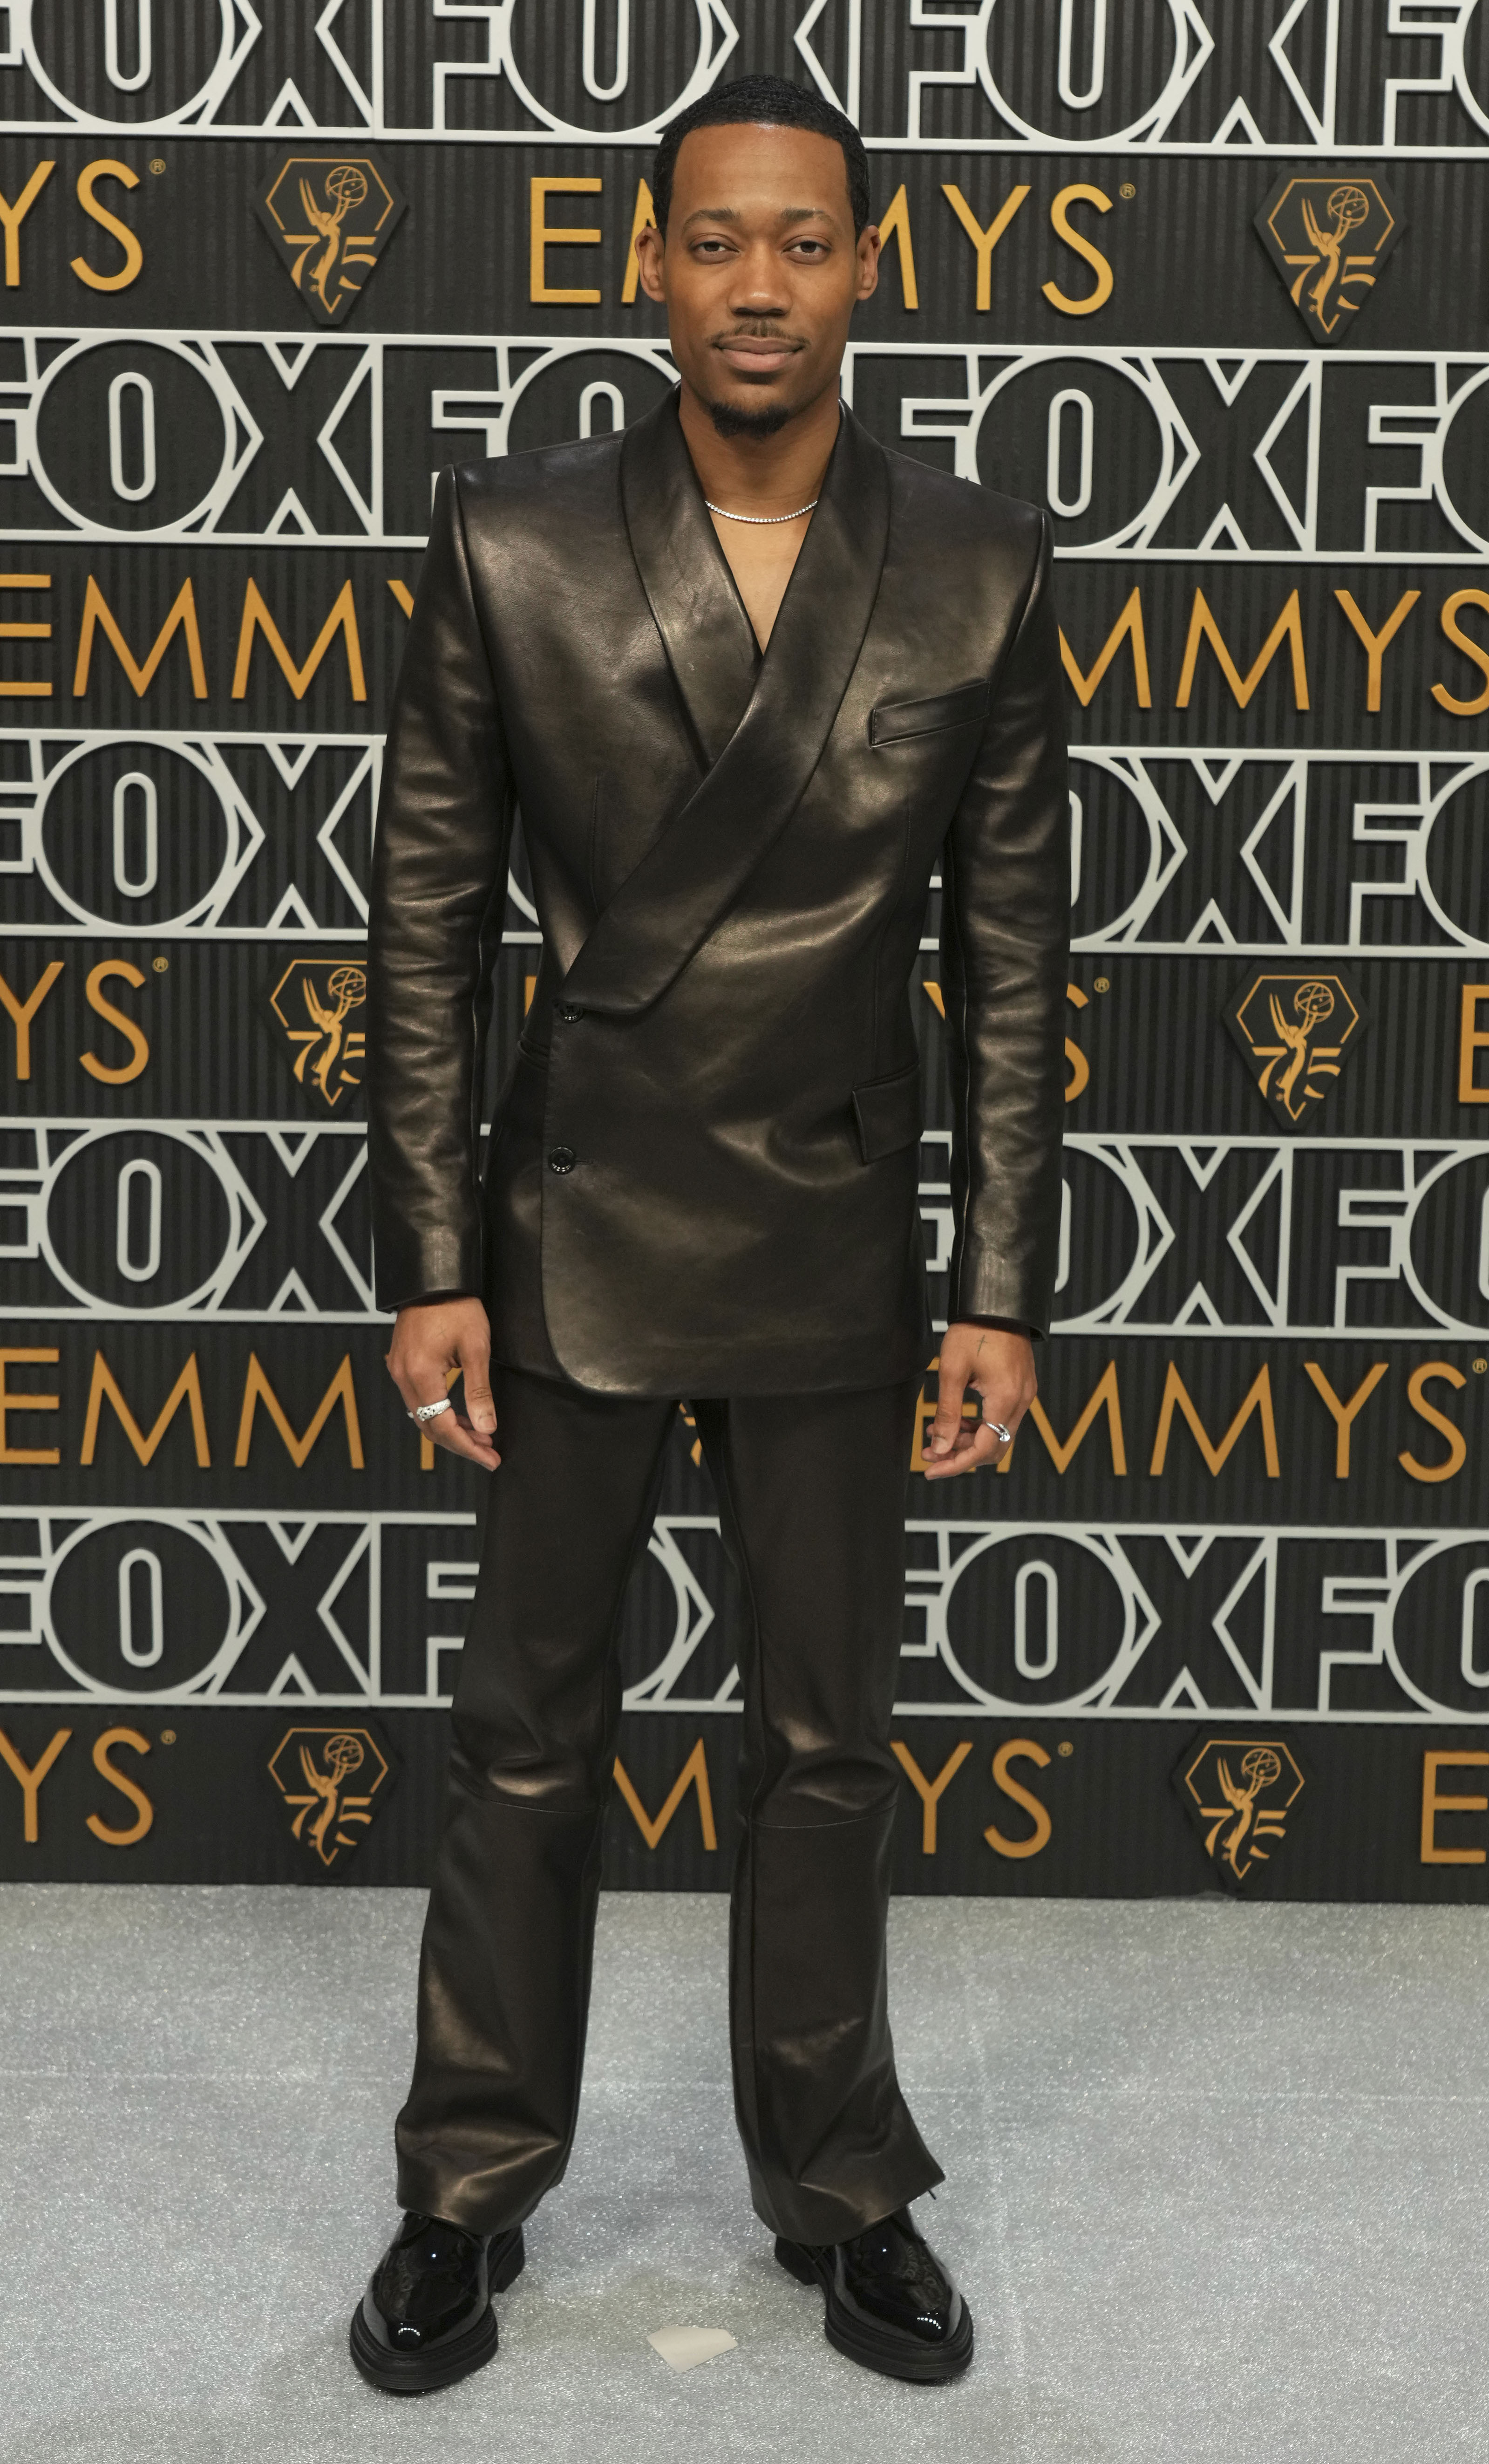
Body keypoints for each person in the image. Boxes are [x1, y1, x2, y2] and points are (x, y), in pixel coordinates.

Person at [353, 72, 1068, 2396]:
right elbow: (431, 923)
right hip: (568, 1224)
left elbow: (1014, 958)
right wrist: (431, 1255)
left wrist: (994, 1286)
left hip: (842, 1235)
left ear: (866, 267)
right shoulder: (511, 538)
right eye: (714, 242)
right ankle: (464, 2194)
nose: (758, 285)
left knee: (825, 1750)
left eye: (804, 243)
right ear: (645, 264)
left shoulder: (976, 560)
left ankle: (840, 2192)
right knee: (527, 1745)